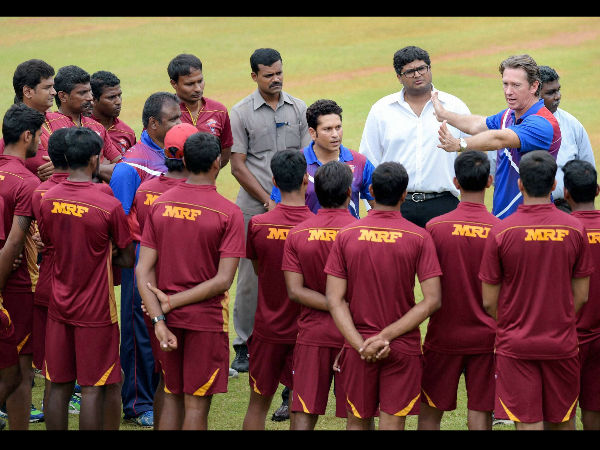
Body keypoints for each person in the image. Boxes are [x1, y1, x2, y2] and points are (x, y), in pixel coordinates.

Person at [136, 132, 245, 430]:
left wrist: (159, 319)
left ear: (183, 161)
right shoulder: (230, 213)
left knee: (171, 394)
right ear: (217, 163)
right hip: (205, 320)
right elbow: (223, 280)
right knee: (196, 402)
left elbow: (143, 269)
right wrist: (172, 303)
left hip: (166, 319)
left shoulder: (160, 204)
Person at [325, 161, 442, 430]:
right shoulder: (419, 237)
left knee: (357, 422)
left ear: (371, 191)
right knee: (392, 423)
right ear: (404, 194)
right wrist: (386, 336)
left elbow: (334, 299)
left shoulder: (346, 235)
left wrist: (361, 345)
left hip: (358, 343)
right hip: (401, 344)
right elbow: (432, 299)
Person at [479, 150, 592, 430]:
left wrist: (515, 323)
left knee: (528, 422)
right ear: (554, 185)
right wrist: (558, 321)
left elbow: (489, 301)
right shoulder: (575, 229)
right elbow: (582, 296)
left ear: (520, 184)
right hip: (561, 342)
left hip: (516, 343)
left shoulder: (502, 231)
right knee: (562, 420)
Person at [229, 47, 310, 419]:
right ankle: (244, 344)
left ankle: (297, 334)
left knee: (298, 272)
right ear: (254, 76)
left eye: (279, 72)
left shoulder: (299, 108)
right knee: (251, 275)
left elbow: (306, 157)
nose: (276, 79)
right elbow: (237, 165)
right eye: (268, 74)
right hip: (255, 204)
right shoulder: (241, 112)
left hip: (293, 203)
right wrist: (267, 199)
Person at [39, 127, 134, 430]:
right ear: (95, 159)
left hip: (58, 303)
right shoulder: (108, 205)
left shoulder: (48, 199)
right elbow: (127, 258)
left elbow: (49, 244)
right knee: (93, 386)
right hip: (96, 309)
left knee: (58, 383)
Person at [109, 91, 182, 427]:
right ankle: (138, 403)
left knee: (169, 322)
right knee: (140, 326)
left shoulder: (177, 154)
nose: (180, 124)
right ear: (153, 124)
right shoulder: (131, 166)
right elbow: (120, 221)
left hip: (174, 254)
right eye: (173, 119)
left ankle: (166, 392)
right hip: (140, 256)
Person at [419, 151, 499, 430]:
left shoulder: (434, 228)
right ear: (489, 181)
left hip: (443, 335)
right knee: (480, 411)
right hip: (488, 338)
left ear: (455, 182)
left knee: (430, 411)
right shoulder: (500, 230)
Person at [433, 54, 562, 220]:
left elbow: (499, 139)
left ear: (534, 86)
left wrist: (460, 144)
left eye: (516, 85)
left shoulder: (543, 123)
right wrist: (444, 115)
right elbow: (477, 125)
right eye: (505, 84)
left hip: (532, 221)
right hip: (503, 217)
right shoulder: (508, 114)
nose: (508, 92)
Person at [358, 46, 473, 228]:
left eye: (422, 68)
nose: (417, 74)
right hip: (395, 205)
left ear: (430, 68)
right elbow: (368, 162)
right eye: (410, 71)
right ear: (399, 77)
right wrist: (373, 208)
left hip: (444, 203)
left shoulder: (454, 106)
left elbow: (474, 154)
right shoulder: (381, 110)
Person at [281, 160, 357, 430]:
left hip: (312, 333)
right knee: (358, 414)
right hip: (355, 334)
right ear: (349, 192)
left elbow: (295, 291)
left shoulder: (298, 233)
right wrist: (340, 307)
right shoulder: (362, 233)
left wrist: (331, 305)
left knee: (303, 408)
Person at [242, 149, 314, 430]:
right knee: (300, 404)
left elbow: (258, 269)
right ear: (306, 179)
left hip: (267, 327)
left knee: (257, 403)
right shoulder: (315, 227)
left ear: (273, 181)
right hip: (304, 330)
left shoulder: (258, 224)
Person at [131, 122, 195, 429]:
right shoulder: (197, 195)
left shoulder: (145, 190)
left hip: (153, 294)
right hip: (192, 294)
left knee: (165, 377)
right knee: (188, 384)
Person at [0, 103, 45, 430]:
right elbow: (15, 243)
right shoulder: (26, 183)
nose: (41, 143)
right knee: (19, 369)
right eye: (39, 136)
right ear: (28, 136)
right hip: (15, 286)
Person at [271, 99, 375, 218]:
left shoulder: (360, 162)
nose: (335, 134)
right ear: (312, 133)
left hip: (348, 231)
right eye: (327, 129)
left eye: (338, 127)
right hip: (308, 231)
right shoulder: (295, 164)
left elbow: (380, 206)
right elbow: (276, 208)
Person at [563, 159, 600, 430]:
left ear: (566, 193)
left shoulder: (563, 230)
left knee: (563, 412)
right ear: (597, 190)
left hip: (567, 335)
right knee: (595, 408)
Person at [538, 65, 595, 211]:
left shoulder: (572, 125)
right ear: (535, 94)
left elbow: (587, 171)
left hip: (567, 209)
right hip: (529, 211)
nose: (557, 96)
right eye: (550, 92)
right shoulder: (510, 124)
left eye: (558, 90)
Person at [45, 65, 122, 168]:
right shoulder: (47, 123)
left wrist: (86, 167)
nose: (90, 98)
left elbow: (122, 165)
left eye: (90, 91)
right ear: (62, 96)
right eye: (82, 93)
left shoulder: (97, 127)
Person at [167, 53, 233, 167]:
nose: (198, 89)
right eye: (190, 84)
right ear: (174, 83)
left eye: (200, 81)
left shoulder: (219, 111)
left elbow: (225, 153)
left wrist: (205, 174)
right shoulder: (164, 112)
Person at [1, 59, 56, 182]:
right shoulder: (18, 131)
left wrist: (64, 165)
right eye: (47, 87)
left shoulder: (59, 119)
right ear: (27, 92)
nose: (54, 92)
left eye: (53, 87)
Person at [90, 70, 137, 155]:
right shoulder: (80, 126)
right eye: (111, 97)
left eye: (119, 95)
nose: (118, 102)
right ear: (93, 99)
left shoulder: (127, 133)